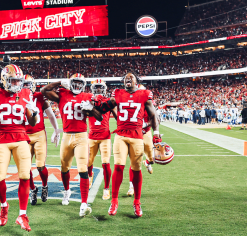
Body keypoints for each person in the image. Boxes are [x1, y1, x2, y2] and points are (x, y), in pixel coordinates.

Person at [93, 72, 161, 218]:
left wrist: (156, 133)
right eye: (125, 77)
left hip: (137, 135)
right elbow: (103, 109)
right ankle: (114, 201)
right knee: (118, 166)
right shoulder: (118, 94)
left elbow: (154, 115)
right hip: (121, 135)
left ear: (137, 80)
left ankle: (137, 203)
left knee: (136, 169)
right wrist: (94, 105)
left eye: (131, 77)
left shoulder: (144, 94)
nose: (128, 78)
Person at [0, 64, 38, 232]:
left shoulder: (26, 93)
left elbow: (32, 122)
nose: (16, 84)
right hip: (2, 137)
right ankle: (4, 206)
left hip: (21, 137)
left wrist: (33, 113)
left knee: (25, 176)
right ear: (5, 80)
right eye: (12, 81)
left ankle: (22, 214)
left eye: (18, 81)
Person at [41, 73, 103, 217]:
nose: (77, 85)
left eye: (79, 83)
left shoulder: (88, 97)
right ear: (70, 82)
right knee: (64, 168)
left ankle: (83, 203)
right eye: (74, 82)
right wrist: (59, 82)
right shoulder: (63, 93)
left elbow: (99, 117)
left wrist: (90, 109)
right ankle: (67, 191)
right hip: (66, 136)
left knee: (82, 169)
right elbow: (44, 90)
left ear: (84, 85)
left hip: (81, 137)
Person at [22, 75, 62, 206]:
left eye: (28, 84)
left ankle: (45, 186)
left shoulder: (39, 97)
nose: (26, 87)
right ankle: (33, 189)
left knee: (40, 165)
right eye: (24, 84)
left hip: (39, 134)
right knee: (25, 167)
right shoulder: (17, 99)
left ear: (33, 85)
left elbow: (50, 115)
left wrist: (56, 130)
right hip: (24, 135)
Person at [88, 79, 114, 200]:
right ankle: (89, 176)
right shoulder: (88, 100)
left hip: (105, 137)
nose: (98, 89)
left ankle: (106, 188)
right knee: (88, 162)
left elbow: (117, 114)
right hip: (92, 136)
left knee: (105, 163)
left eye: (100, 87)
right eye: (96, 87)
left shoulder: (108, 101)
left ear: (104, 88)